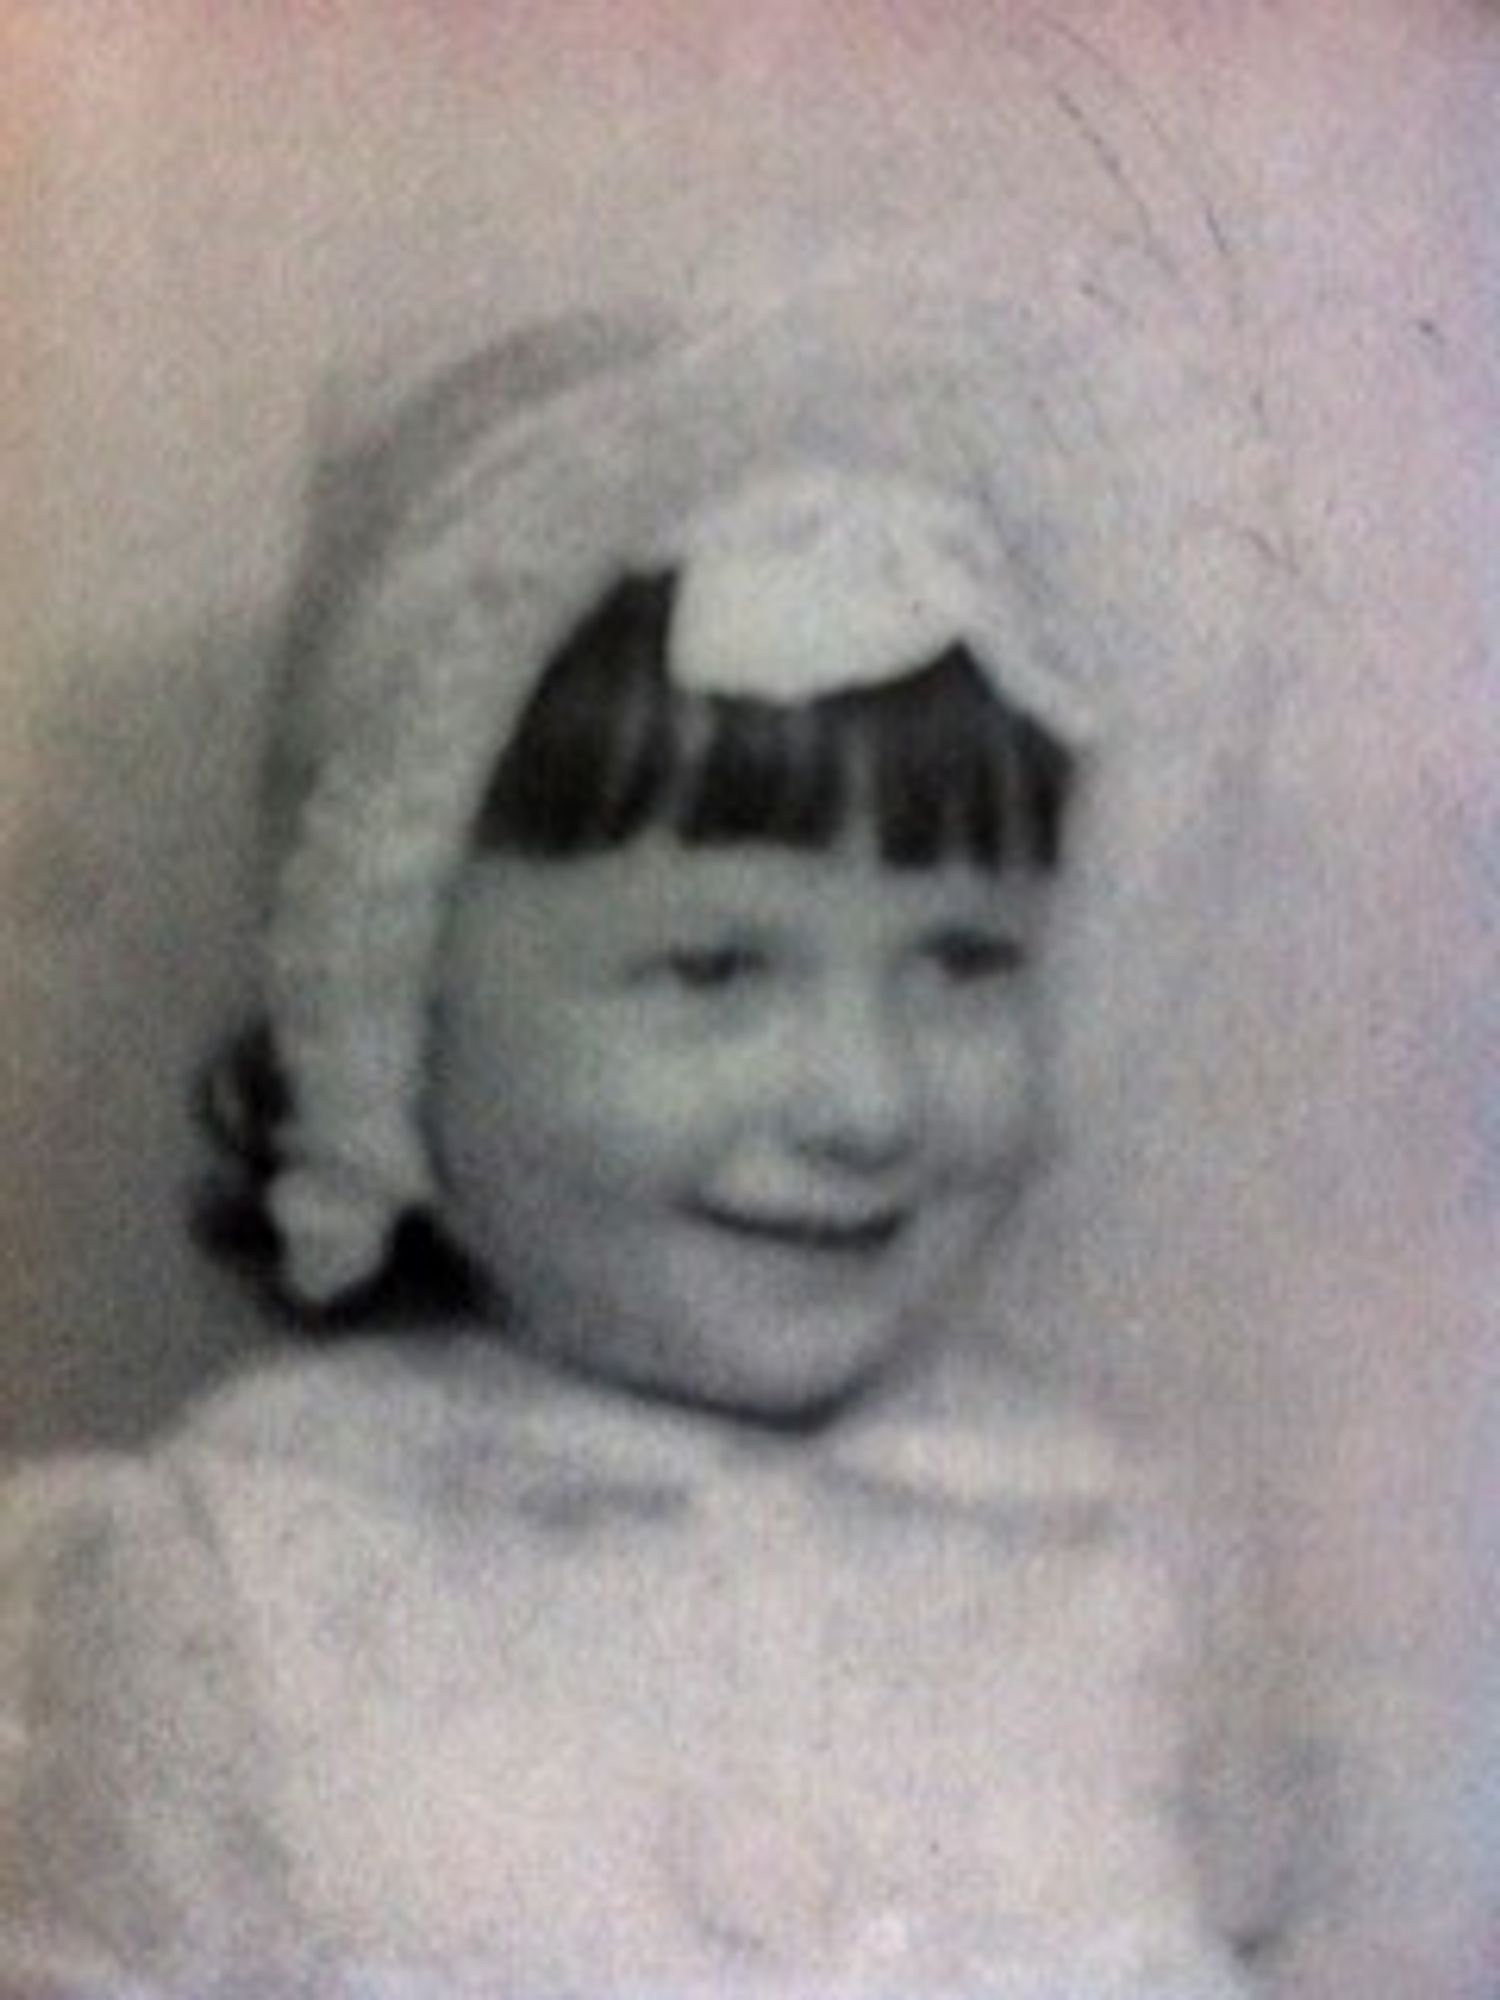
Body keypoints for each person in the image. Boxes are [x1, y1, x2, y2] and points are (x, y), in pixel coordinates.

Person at [0, 284, 1257, 1998]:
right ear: (393, 1011)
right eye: (716, 968)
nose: (867, 1101)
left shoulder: (1110, 1568)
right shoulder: (240, 1598)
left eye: (964, 960)